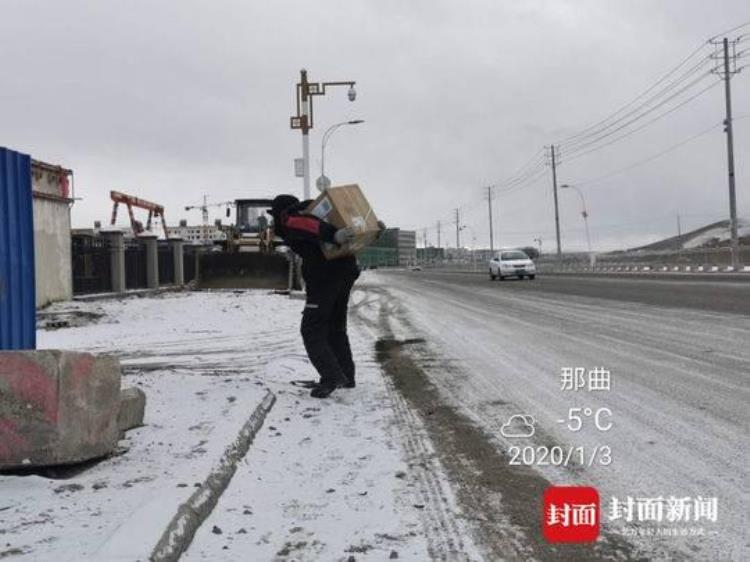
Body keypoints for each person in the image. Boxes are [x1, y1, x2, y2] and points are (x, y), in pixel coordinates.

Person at [269, 194, 383, 398]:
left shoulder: (290, 217)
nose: (273, 221)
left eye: (273, 216)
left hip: (325, 277)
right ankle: (346, 376)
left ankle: (331, 377)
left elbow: (305, 225)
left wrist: (333, 235)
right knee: (335, 327)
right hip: (345, 271)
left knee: (312, 330)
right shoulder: (318, 213)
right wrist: (372, 231)